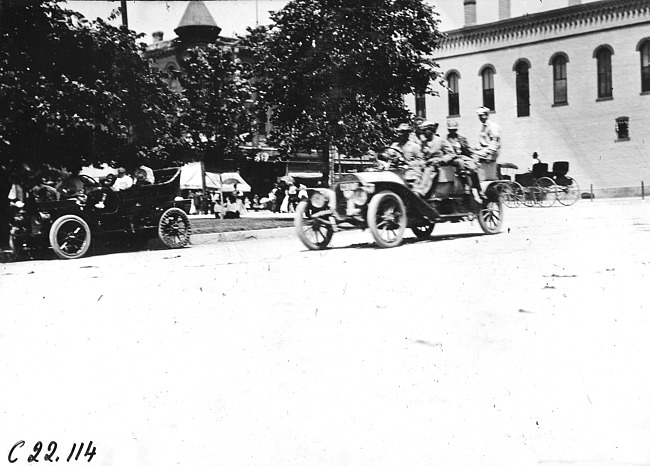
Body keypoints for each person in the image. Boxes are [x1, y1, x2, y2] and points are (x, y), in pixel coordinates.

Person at [413, 121, 454, 198]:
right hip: (427, 163)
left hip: (437, 164)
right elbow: (421, 156)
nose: (423, 133)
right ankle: (413, 188)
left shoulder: (441, 141)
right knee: (415, 168)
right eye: (423, 131)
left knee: (430, 168)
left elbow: (451, 154)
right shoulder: (423, 143)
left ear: (431, 130)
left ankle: (421, 191)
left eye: (425, 130)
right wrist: (421, 162)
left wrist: (440, 160)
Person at [446, 119, 484, 202]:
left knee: (473, 167)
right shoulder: (445, 140)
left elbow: (469, 150)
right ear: (448, 130)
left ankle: (479, 189)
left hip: (462, 156)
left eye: (454, 129)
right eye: (451, 130)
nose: (452, 131)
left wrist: (474, 158)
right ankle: (465, 185)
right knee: (460, 163)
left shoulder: (461, 139)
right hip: (452, 158)